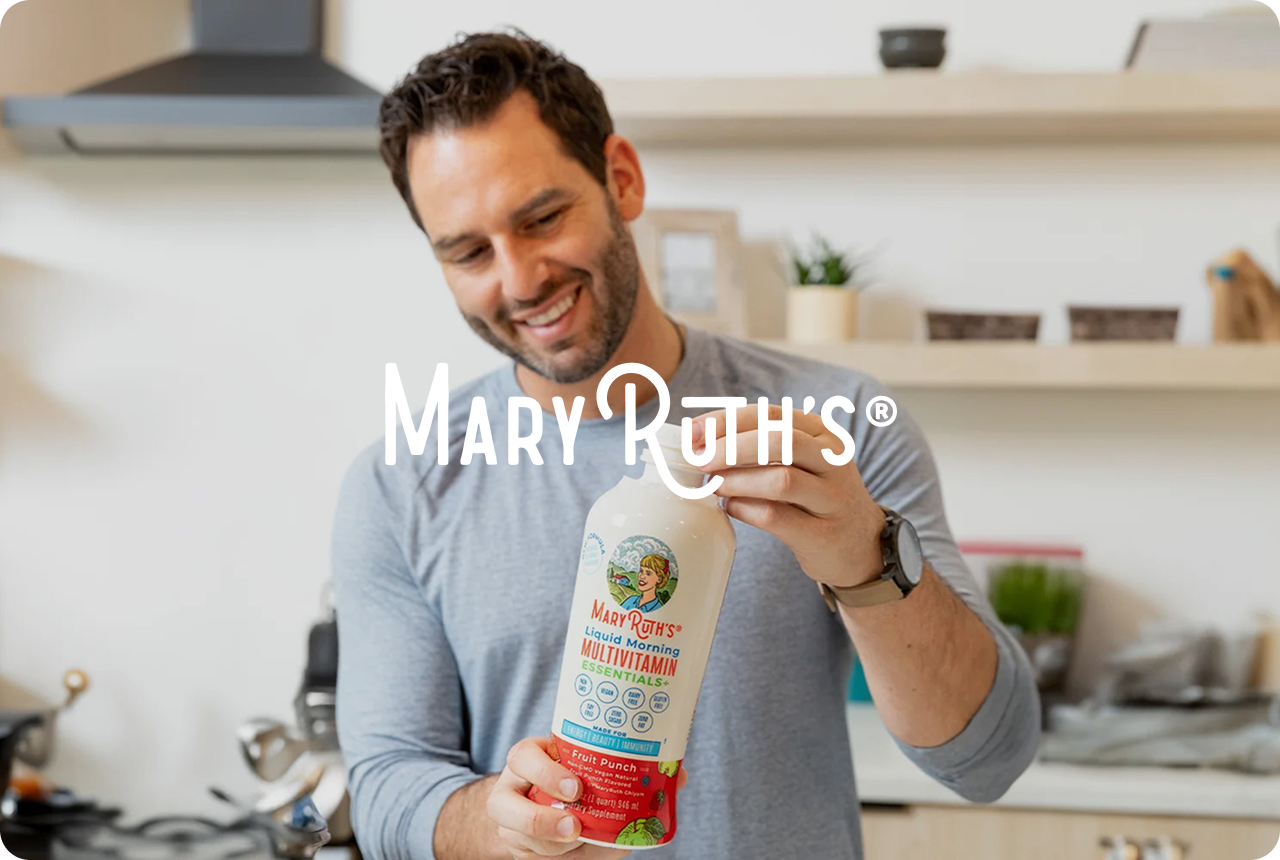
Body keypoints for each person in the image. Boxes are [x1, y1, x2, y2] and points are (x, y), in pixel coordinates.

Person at [331, 30, 1041, 860]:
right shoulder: (402, 483)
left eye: (544, 218)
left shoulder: (830, 425)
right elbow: (384, 787)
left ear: (621, 179)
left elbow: (989, 759)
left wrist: (862, 553)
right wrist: (501, 821)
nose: (520, 280)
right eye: (469, 252)